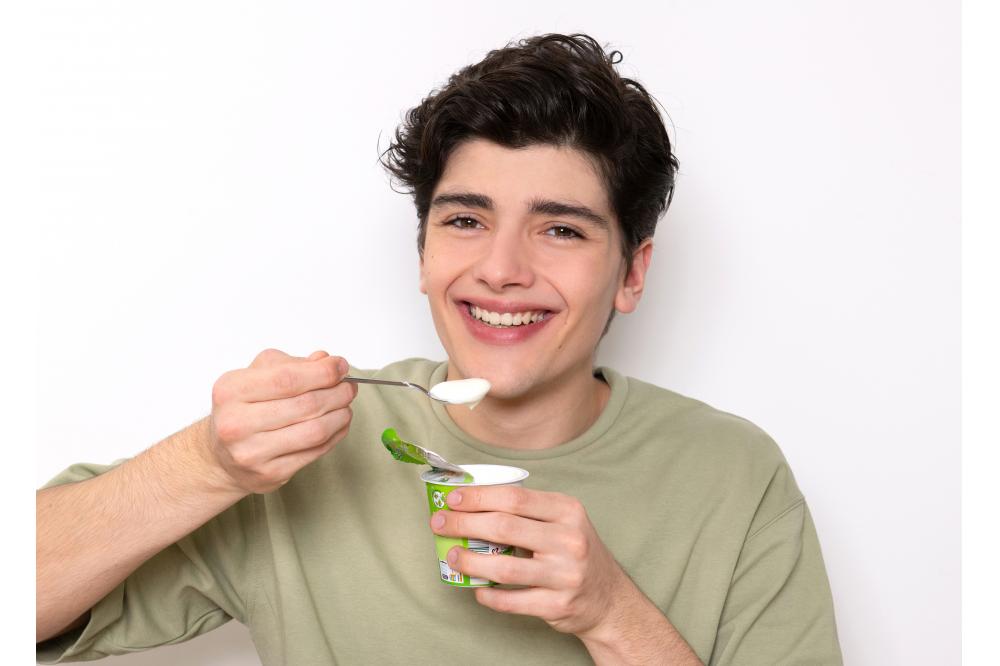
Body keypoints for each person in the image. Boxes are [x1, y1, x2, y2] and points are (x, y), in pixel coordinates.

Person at [36, 33, 843, 665]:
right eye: (465, 220)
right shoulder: (309, 449)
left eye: (560, 229)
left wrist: (610, 611)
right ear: (422, 254)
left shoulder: (735, 476)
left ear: (632, 273)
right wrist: (207, 465)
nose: (501, 269)